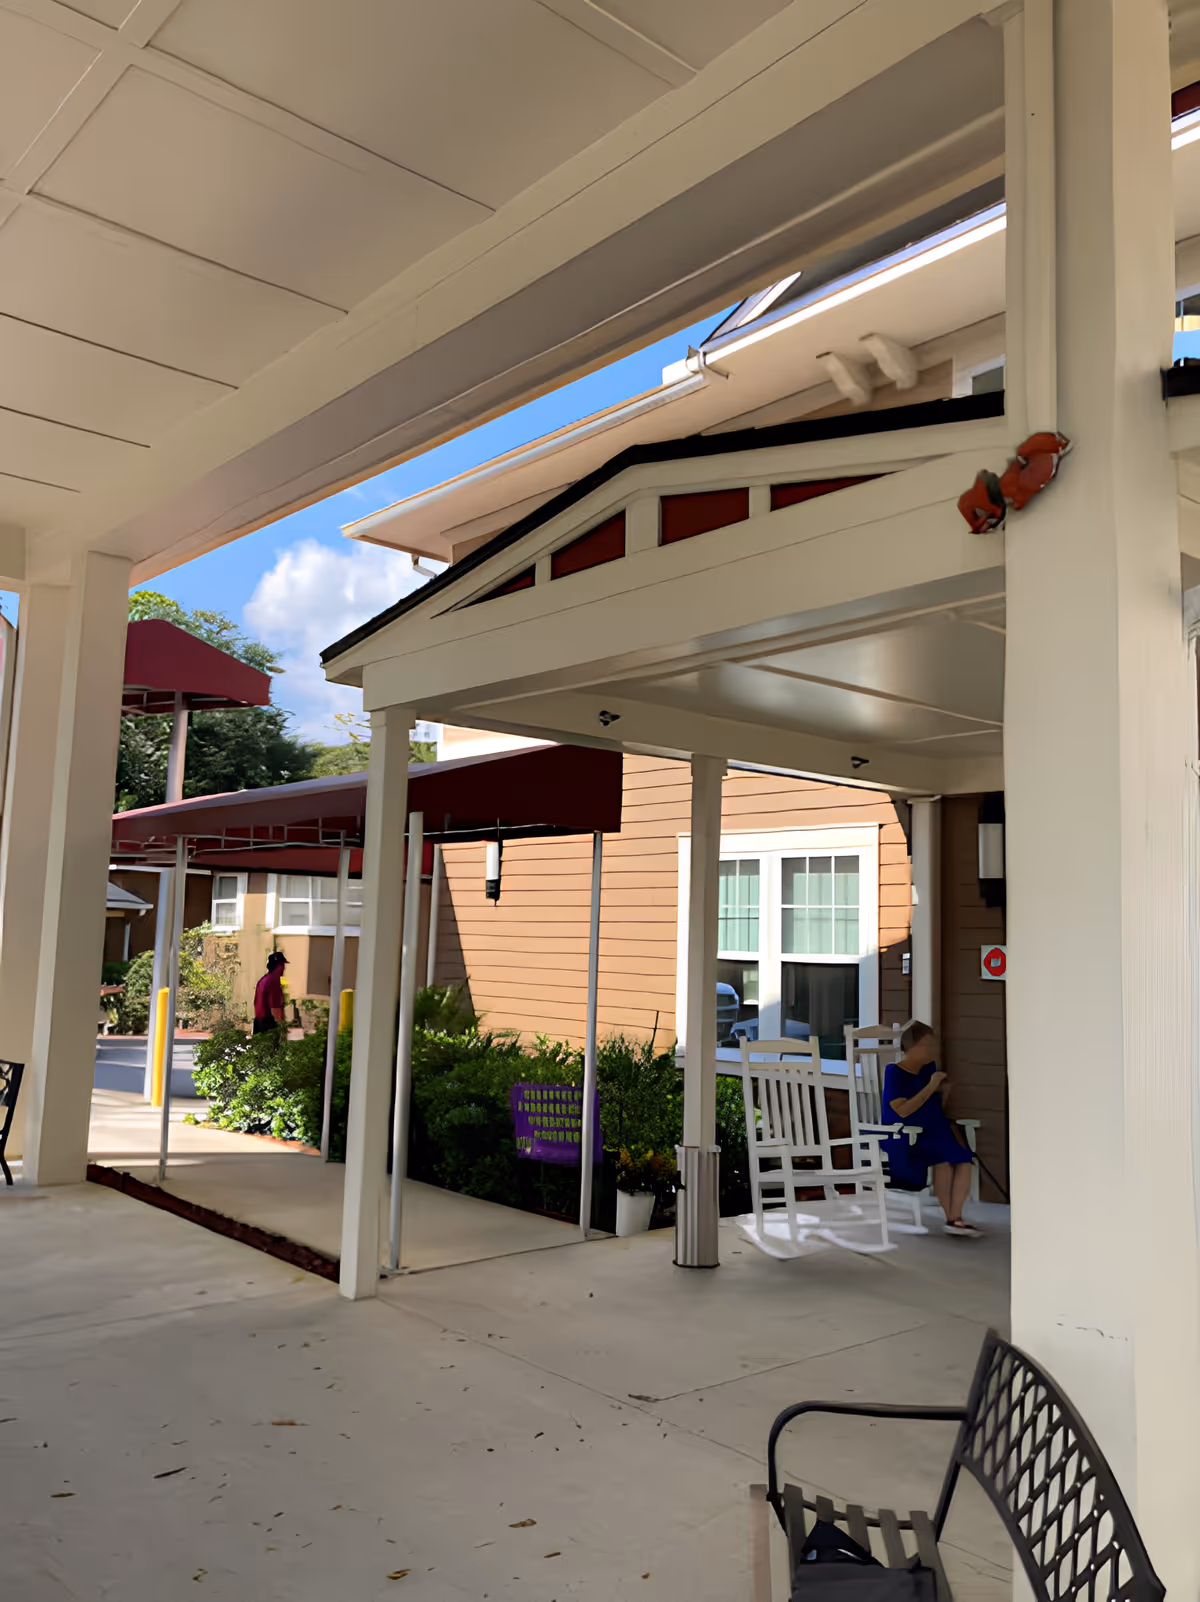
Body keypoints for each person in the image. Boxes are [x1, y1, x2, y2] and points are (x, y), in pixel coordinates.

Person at [881, 1021, 979, 1237]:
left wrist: (944, 1092)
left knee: (963, 1160)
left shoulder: (928, 1070)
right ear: (912, 1046)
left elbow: (933, 1107)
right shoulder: (894, 1072)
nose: (931, 1050)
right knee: (942, 1160)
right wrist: (932, 1085)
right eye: (926, 1045)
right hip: (905, 1134)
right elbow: (903, 1110)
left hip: (931, 1130)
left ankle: (954, 1218)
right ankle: (953, 1219)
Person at [253, 950, 287, 1036]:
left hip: (258, 1023)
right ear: (278, 966)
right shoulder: (273, 981)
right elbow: (275, 1008)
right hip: (268, 1024)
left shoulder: (264, 980)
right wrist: (283, 1028)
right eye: (282, 965)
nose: (284, 968)